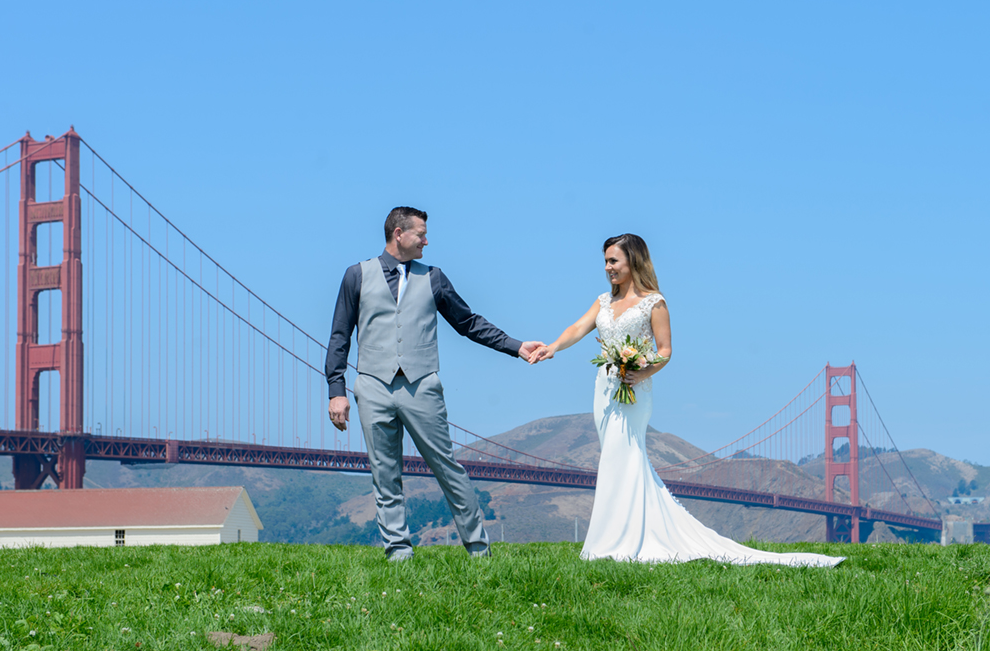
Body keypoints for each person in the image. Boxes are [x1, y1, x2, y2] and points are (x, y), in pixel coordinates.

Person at [530, 234, 843, 566]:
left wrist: (641, 371)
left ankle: (615, 542)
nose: (607, 268)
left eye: (613, 261)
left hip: (635, 390)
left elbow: (665, 351)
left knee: (626, 456)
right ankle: (616, 536)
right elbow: (578, 327)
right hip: (605, 390)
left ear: (632, 261)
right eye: (605, 261)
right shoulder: (604, 301)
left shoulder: (655, 303)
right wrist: (552, 347)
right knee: (613, 458)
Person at [326, 206, 544, 561]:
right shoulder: (356, 275)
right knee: (385, 475)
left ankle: (479, 550)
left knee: (447, 468)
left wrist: (516, 346)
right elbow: (340, 336)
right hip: (372, 387)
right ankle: (399, 555)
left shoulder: (434, 277)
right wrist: (337, 391)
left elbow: (468, 322)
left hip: (422, 386)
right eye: (420, 234)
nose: (426, 241)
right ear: (399, 234)